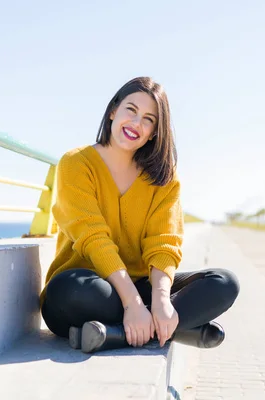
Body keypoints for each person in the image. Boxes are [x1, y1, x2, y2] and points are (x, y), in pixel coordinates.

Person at [39, 77, 240, 353]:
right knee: (68, 289)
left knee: (224, 283)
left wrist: (160, 301)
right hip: (91, 291)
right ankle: (175, 329)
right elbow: (93, 238)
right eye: (130, 110)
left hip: (139, 286)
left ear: (155, 132)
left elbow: (163, 242)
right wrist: (133, 305)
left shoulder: (165, 179)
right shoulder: (76, 163)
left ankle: (115, 334)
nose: (136, 124)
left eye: (149, 120)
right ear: (113, 111)